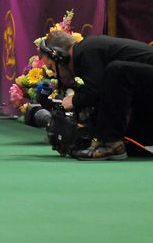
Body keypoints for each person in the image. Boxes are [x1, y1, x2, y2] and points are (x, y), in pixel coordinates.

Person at [39, 30, 153, 160]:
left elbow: (95, 92)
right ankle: (129, 142)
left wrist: (74, 101)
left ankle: (111, 145)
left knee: (117, 71)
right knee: (115, 78)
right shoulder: (89, 50)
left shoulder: (86, 50)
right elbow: (104, 98)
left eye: (52, 67)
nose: (54, 74)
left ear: (61, 56)